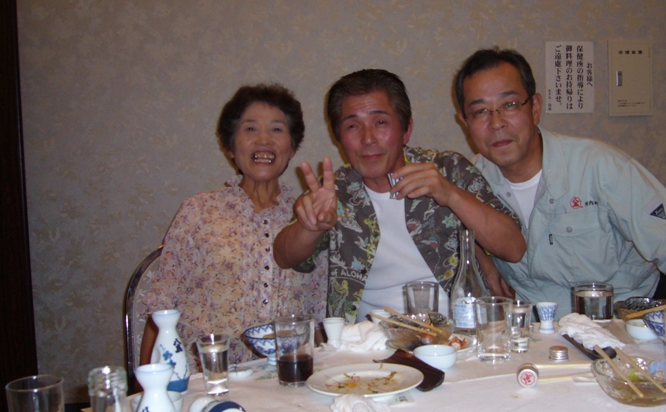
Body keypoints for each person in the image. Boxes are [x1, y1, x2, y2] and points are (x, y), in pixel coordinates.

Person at [453, 48, 666, 319]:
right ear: (465, 122)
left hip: (622, 322)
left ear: (535, 108)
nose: (496, 123)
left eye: (510, 105)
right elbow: (450, 234)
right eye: (480, 111)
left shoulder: (599, 166)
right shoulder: (468, 183)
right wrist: (483, 260)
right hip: (539, 331)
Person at [274, 69, 526, 324]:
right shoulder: (335, 190)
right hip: (370, 339)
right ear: (339, 138)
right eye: (352, 126)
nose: (368, 139)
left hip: (457, 334)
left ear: (406, 130)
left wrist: (451, 195)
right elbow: (284, 256)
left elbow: (514, 248)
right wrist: (310, 227)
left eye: (380, 123)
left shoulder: (447, 169)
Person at [140, 84, 326, 372]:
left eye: (277, 129)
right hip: (206, 377)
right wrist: (146, 385)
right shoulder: (199, 210)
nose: (264, 140)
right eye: (250, 129)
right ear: (230, 147)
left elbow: (320, 313)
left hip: (286, 376)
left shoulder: (310, 215)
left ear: (292, 148)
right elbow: (163, 307)